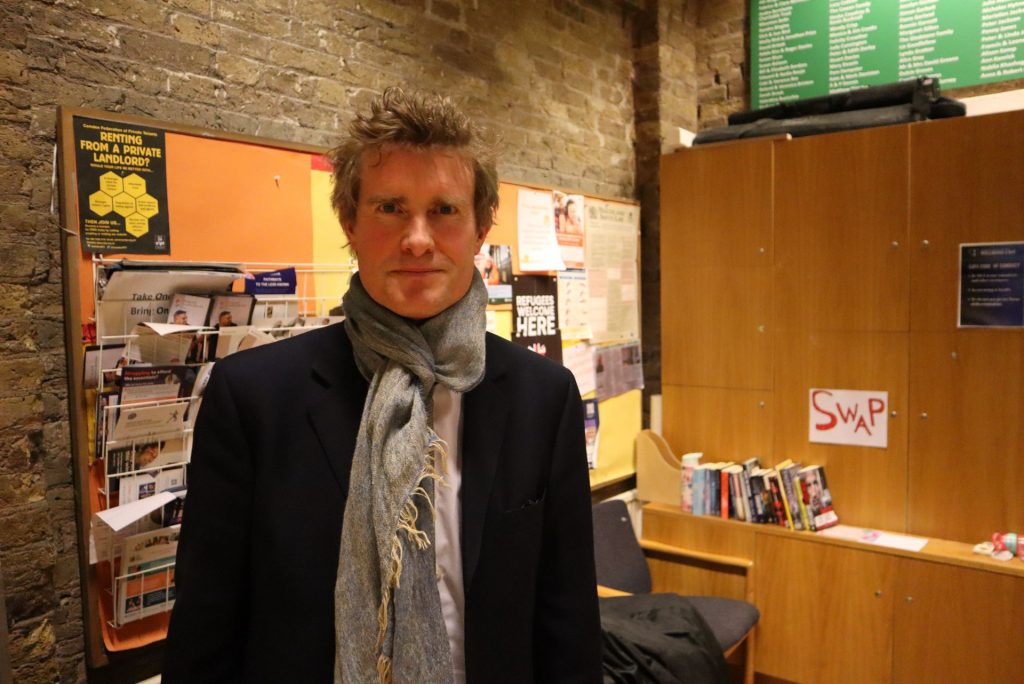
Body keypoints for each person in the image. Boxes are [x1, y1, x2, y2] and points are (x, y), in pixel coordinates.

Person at [163, 88, 601, 683]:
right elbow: (206, 629)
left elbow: (567, 618)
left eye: (444, 210)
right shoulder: (255, 398)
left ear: (480, 227)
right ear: (350, 221)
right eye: (390, 207)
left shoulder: (542, 398)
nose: (417, 239)